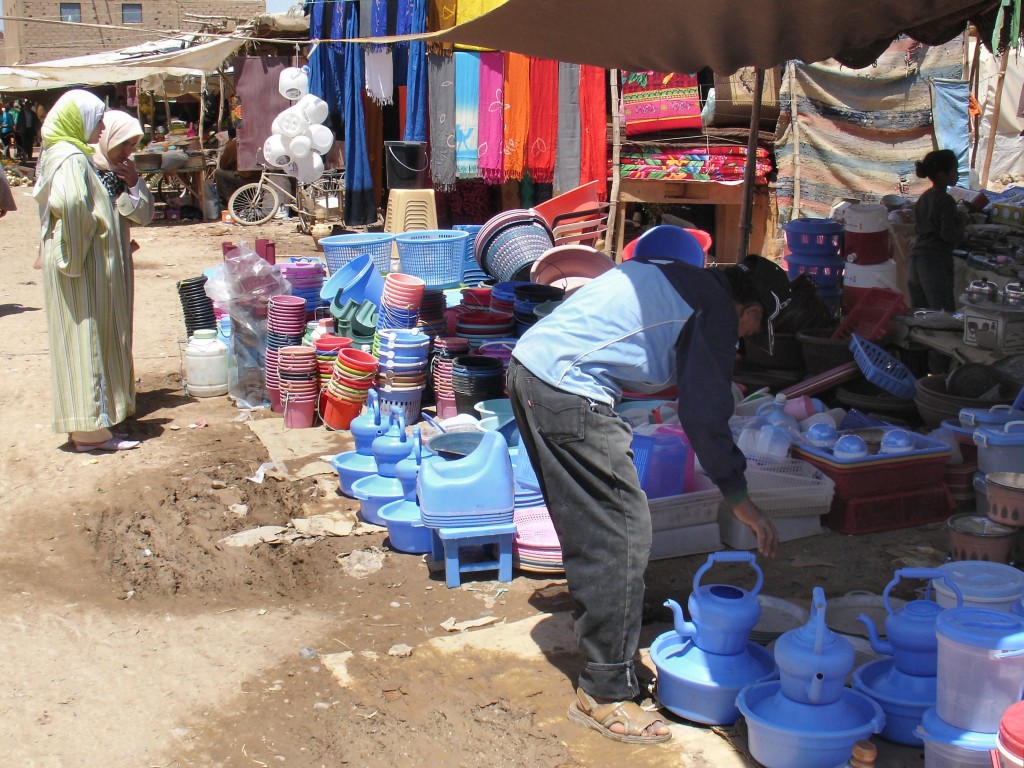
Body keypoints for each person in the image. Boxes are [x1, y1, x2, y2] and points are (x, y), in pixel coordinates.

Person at [506, 241, 787, 745]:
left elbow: (646, 345)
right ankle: (607, 692)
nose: (745, 341)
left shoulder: (684, 277)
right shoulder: (716, 309)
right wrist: (738, 495)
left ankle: (612, 615)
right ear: (748, 309)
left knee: (594, 522)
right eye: (753, 329)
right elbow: (703, 414)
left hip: (533, 369)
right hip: (567, 387)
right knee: (622, 532)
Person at [33, 90, 139, 452]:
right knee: (86, 341)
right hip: (81, 268)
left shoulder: (63, 154)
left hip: (83, 266)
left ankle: (94, 428)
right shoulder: (71, 157)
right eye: (96, 120)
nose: (101, 127)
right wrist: (74, 257)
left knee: (86, 340)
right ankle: (90, 434)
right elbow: (71, 204)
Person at [91, 110, 154, 359]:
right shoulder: (85, 169)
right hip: (94, 260)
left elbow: (143, 217)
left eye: (132, 144)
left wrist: (134, 185)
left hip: (119, 259)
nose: (127, 151)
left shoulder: (126, 172)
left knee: (120, 323)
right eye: (123, 143)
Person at [908, 149, 966, 312]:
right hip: (934, 261)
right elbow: (948, 235)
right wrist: (962, 222)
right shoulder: (946, 201)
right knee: (942, 314)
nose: (957, 174)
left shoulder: (924, 198)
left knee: (920, 315)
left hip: (915, 259)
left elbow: (918, 228)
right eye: (955, 170)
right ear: (942, 175)